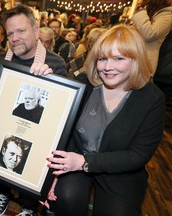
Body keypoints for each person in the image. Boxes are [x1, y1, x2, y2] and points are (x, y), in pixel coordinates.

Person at [44, 24, 165, 216]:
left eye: (119, 58)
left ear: (136, 60)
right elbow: (58, 123)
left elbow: (137, 156)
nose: (108, 67)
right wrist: (43, 79)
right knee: (65, 199)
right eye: (102, 59)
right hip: (77, 159)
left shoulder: (152, 99)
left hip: (120, 171)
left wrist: (84, 162)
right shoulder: (85, 84)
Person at [0, 4, 67, 216]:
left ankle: (29, 206)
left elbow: (57, 119)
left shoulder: (55, 64)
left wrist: (49, 84)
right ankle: (2, 192)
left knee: (35, 176)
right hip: (5, 132)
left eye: (21, 31)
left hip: (37, 138)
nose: (14, 38)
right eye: (10, 33)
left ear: (36, 30)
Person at [131, 0, 172, 75]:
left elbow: (150, 34)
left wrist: (140, 12)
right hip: (134, 58)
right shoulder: (151, 12)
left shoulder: (167, 14)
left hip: (144, 63)